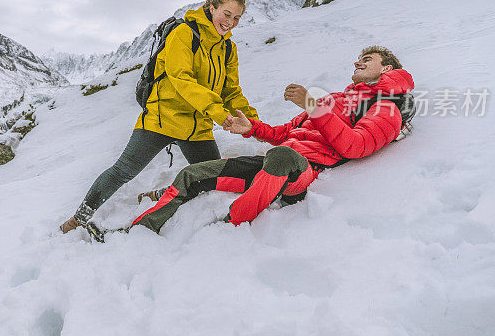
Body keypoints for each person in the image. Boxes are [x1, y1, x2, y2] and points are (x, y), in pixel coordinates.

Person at [131, 46, 414, 233]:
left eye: (367, 60)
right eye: (359, 58)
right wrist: (250, 128)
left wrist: (314, 107)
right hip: (272, 165)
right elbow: (284, 133)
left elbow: (354, 147)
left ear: (386, 69)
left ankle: (228, 226)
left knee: (282, 157)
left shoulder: (386, 106)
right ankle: (139, 230)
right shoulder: (337, 99)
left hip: (302, 172)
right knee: (192, 174)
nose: (357, 62)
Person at [61, 0, 259, 234]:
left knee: (212, 177)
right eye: (226, 14)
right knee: (123, 171)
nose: (230, 22)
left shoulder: (227, 49)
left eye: (236, 18)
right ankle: (78, 218)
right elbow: (182, 79)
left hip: (196, 127)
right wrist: (217, 113)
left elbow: (231, 90)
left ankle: (161, 194)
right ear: (211, 7)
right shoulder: (184, 34)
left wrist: (253, 122)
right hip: (161, 119)